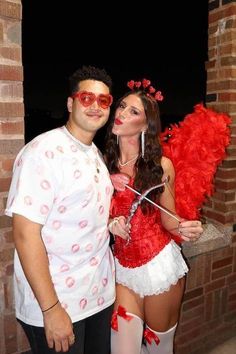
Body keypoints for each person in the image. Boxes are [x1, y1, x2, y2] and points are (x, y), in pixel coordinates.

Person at [5, 65, 115, 354]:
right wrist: (51, 308)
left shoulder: (96, 153)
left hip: (98, 296)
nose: (96, 106)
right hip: (58, 301)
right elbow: (25, 235)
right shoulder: (42, 153)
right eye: (87, 98)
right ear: (70, 103)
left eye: (103, 101)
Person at [104, 79, 204, 354]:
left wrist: (185, 228)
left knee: (159, 351)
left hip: (160, 270)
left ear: (146, 125)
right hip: (123, 271)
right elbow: (97, 214)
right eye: (122, 106)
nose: (121, 113)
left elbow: (169, 220)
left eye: (133, 111)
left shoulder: (160, 166)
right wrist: (111, 223)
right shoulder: (102, 163)